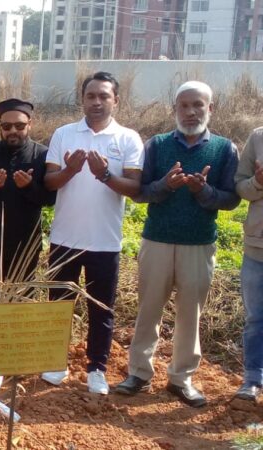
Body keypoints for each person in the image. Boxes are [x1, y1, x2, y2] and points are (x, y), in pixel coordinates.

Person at [114, 81, 240, 408]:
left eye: (198, 105)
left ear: (210, 109)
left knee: (190, 313)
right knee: (148, 308)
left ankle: (181, 378)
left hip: (199, 244)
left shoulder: (225, 149)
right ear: (175, 109)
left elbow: (231, 200)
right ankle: (139, 373)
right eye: (183, 105)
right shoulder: (156, 145)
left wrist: (203, 192)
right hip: (156, 239)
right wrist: (165, 185)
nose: (190, 111)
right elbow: (141, 192)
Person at [42, 71, 144, 395]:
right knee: (59, 304)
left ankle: (97, 368)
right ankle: (55, 362)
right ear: (82, 99)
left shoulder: (128, 139)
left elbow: (134, 187)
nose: (97, 102)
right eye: (91, 96)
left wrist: (105, 175)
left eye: (104, 96)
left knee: (101, 308)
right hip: (64, 238)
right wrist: (71, 170)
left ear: (116, 99)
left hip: (104, 241)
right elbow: (49, 182)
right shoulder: (64, 134)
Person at [0, 98, 55, 288]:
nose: (13, 131)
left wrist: (28, 186)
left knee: (21, 303)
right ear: (0, 126)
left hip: (26, 246)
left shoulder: (42, 154)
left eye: (19, 125)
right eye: (7, 126)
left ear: (30, 124)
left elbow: (49, 199)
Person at [235, 123, 263, 403]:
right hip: (258, 247)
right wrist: (258, 183)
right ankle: (252, 380)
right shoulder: (258, 137)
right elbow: (240, 186)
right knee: (256, 319)